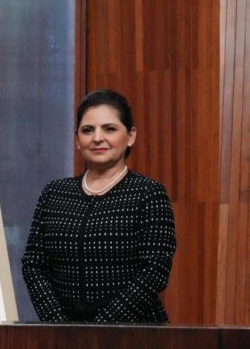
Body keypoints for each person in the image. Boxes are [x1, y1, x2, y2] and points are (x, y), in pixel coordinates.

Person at [22, 89, 176, 323]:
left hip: (133, 335)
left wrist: (100, 330)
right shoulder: (54, 193)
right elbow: (34, 264)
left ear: (131, 135)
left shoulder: (149, 193)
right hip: (63, 336)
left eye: (110, 128)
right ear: (77, 140)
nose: (97, 138)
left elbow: (155, 270)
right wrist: (59, 326)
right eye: (87, 130)